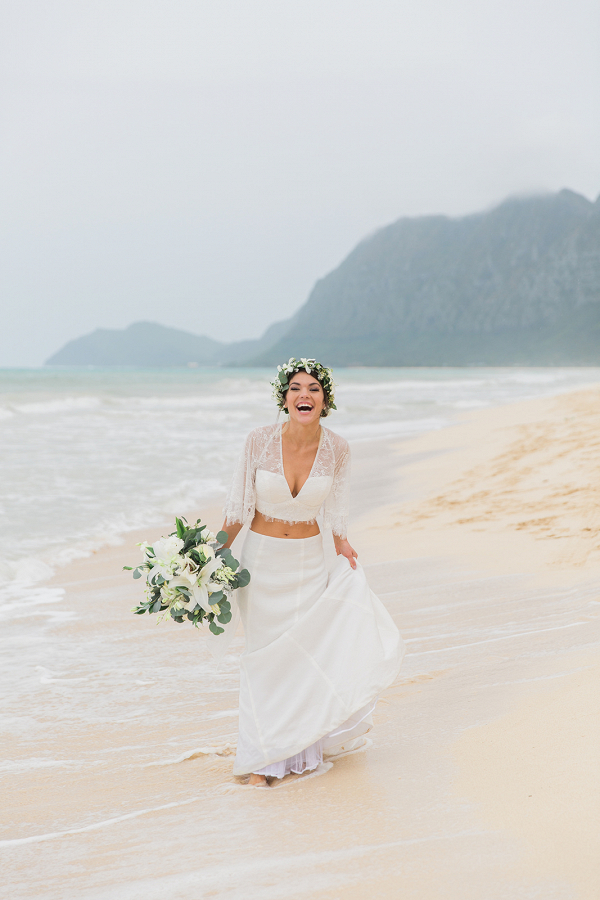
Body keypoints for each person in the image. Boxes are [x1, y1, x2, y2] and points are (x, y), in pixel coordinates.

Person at [220, 358, 404, 786]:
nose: (305, 394)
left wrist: (343, 543)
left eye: (314, 389)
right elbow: (238, 509)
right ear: (283, 398)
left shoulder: (338, 448)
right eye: (296, 387)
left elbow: (337, 510)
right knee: (264, 658)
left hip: (308, 563)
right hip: (261, 563)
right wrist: (206, 556)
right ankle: (264, 757)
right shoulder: (257, 441)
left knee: (301, 657)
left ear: (326, 399)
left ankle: (297, 753)